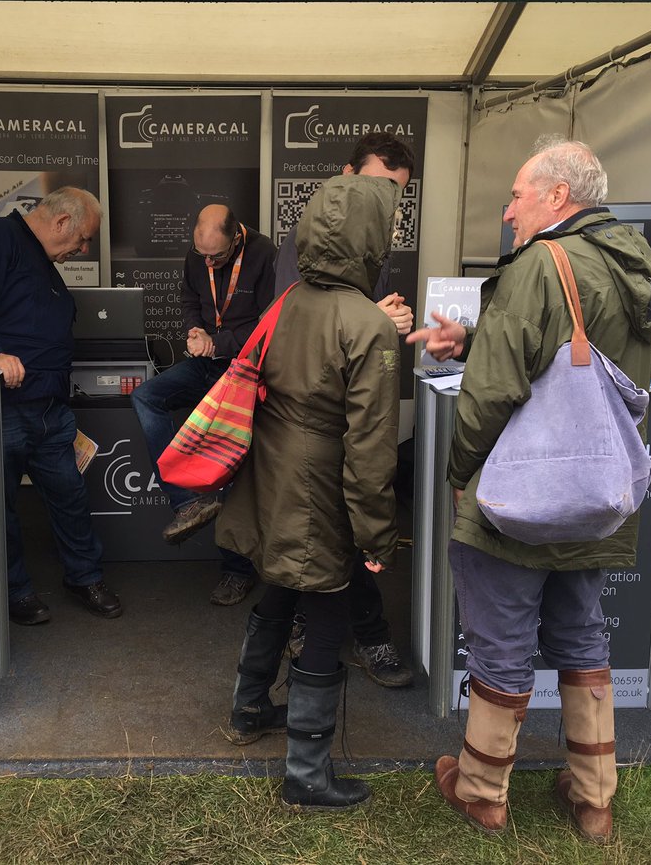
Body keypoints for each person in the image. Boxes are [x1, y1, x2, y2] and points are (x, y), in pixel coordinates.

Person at [407, 137, 651, 841]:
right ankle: (594, 799)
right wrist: (468, 338)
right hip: (596, 489)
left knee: (500, 638)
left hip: (523, 490)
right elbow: (569, 357)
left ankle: (483, 792)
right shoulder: (635, 264)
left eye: (519, 195)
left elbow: (494, 393)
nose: (509, 209)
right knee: (583, 634)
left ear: (557, 196)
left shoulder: (542, 264)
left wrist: (463, 473)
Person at [217, 173, 403, 809]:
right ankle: (307, 772)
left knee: (278, 582)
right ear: (372, 240)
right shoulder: (367, 324)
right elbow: (372, 449)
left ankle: (248, 709)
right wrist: (377, 534)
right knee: (326, 609)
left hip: (270, 471)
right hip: (319, 482)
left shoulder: (288, 299)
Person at [0, 187, 123, 626]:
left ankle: (84, 576)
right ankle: (15, 591)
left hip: (49, 408)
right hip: (5, 407)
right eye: (82, 239)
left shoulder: (43, 259)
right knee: (1, 507)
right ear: (61, 222)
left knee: (70, 498)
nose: (82, 250)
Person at [273, 131, 416, 690]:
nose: (388, 202)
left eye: (397, 193)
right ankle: (353, 641)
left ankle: (271, 678)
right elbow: (295, 326)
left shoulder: (370, 245)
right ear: (347, 176)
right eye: (380, 187)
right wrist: (372, 322)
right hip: (311, 431)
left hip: (329, 429)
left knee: (312, 553)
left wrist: (383, 321)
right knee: (332, 549)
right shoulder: (304, 244)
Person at [130, 204, 277, 606]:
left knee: (228, 467)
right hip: (205, 365)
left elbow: (269, 322)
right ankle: (189, 502)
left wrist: (220, 342)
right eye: (202, 254)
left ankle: (237, 572)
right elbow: (188, 297)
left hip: (245, 373)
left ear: (236, 236)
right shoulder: (198, 253)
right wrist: (195, 328)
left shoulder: (266, 255)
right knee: (146, 396)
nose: (208, 260)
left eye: (217, 255)